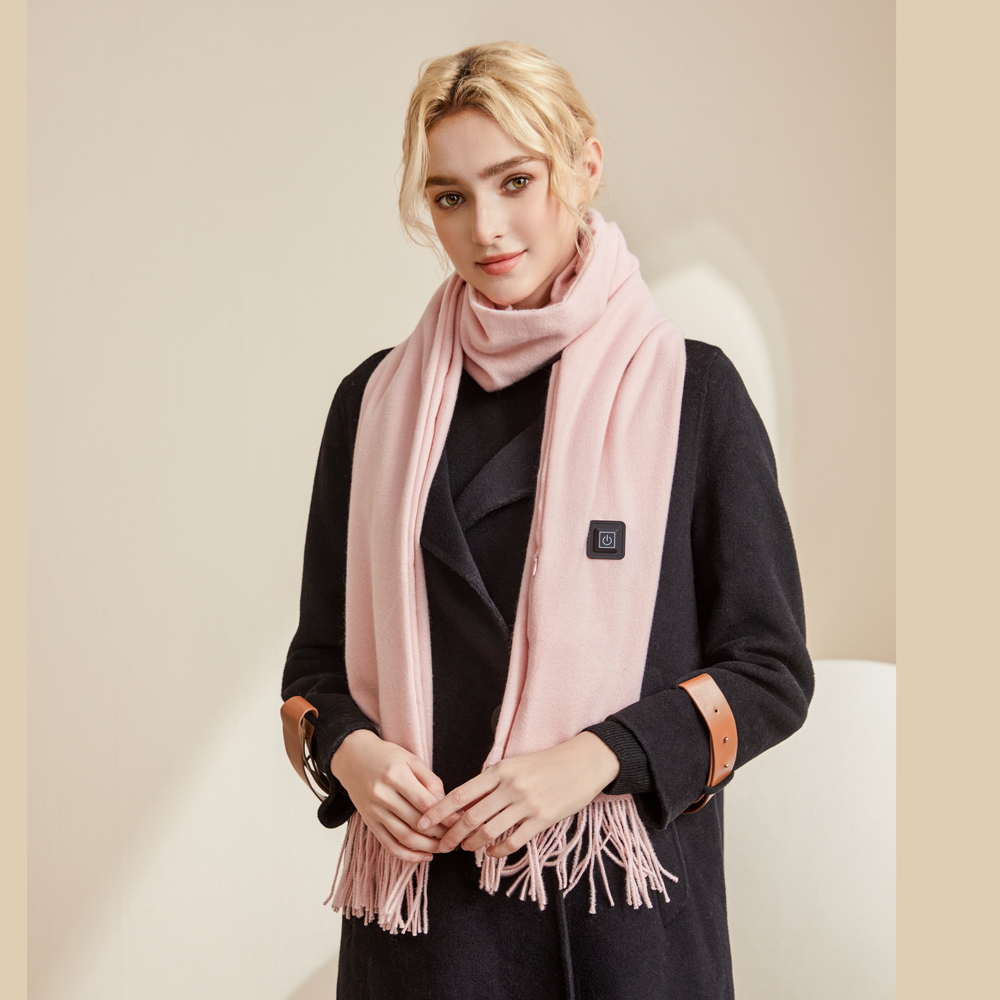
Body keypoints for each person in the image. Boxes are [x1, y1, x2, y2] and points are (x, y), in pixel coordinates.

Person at [281, 41, 812, 1000]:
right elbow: (316, 668)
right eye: (450, 196)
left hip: (619, 938)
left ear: (585, 165)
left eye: (516, 181)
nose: (485, 227)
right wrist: (351, 754)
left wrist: (597, 758)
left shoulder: (693, 394)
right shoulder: (375, 405)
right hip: (423, 939)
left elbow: (770, 672)